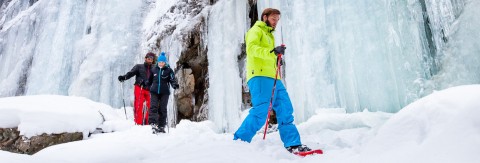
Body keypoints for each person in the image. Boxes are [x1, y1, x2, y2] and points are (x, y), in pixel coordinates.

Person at [233, 8, 312, 153]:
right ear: (265, 17)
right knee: (261, 111)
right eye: (273, 19)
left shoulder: (270, 35)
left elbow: (268, 55)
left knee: (285, 108)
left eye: (277, 20)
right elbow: (252, 49)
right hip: (259, 76)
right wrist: (272, 52)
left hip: (274, 77)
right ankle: (239, 142)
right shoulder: (256, 30)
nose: (276, 22)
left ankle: (293, 143)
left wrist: (276, 59)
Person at [118, 52, 156, 125]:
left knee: (150, 106)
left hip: (150, 89)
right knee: (139, 105)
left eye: (151, 59)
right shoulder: (139, 66)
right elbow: (131, 73)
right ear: (145, 58)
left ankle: (148, 123)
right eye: (148, 58)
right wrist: (124, 77)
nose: (150, 60)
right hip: (139, 87)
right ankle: (138, 123)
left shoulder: (154, 68)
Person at [147, 52, 179, 133]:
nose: (161, 64)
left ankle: (161, 126)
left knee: (162, 109)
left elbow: (172, 79)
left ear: (165, 62)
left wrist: (174, 85)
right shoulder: (153, 69)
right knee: (153, 107)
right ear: (158, 62)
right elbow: (149, 80)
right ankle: (153, 123)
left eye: (163, 62)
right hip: (154, 91)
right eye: (160, 62)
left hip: (164, 92)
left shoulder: (169, 70)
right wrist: (145, 83)